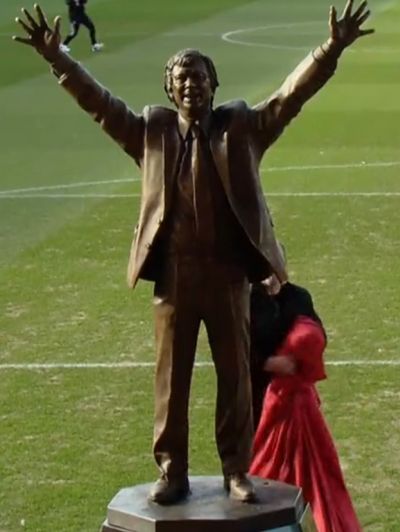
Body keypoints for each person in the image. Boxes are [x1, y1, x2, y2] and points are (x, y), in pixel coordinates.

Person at [12, 1, 373, 505]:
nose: (190, 86)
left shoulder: (242, 129)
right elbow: (100, 105)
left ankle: (236, 472)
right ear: (169, 89)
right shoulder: (151, 133)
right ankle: (171, 472)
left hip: (228, 278)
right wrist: (59, 60)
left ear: (213, 85)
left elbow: (289, 99)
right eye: (181, 79)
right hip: (175, 278)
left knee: (235, 380)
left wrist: (329, 48)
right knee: (170, 384)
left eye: (199, 77)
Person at [249, 281, 361, 532]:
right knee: (260, 475)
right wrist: (268, 363)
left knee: (315, 477)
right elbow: (234, 347)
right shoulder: (248, 300)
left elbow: (317, 334)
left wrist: (300, 354)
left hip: (298, 408)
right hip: (260, 404)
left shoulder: (298, 297)